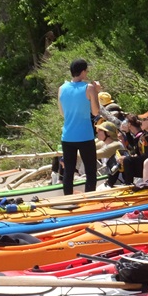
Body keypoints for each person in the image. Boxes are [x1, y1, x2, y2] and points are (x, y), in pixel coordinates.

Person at [57, 58, 101, 195]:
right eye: (86, 71)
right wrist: (96, 92)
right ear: (82, 72)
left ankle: (68, 199)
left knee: (68, 171)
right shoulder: (89, 88)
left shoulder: (61, 89)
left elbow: (62, 113)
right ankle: (89, 198)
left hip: (68, 135)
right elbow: (95, 111)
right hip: (85, 135)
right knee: (90, 170)